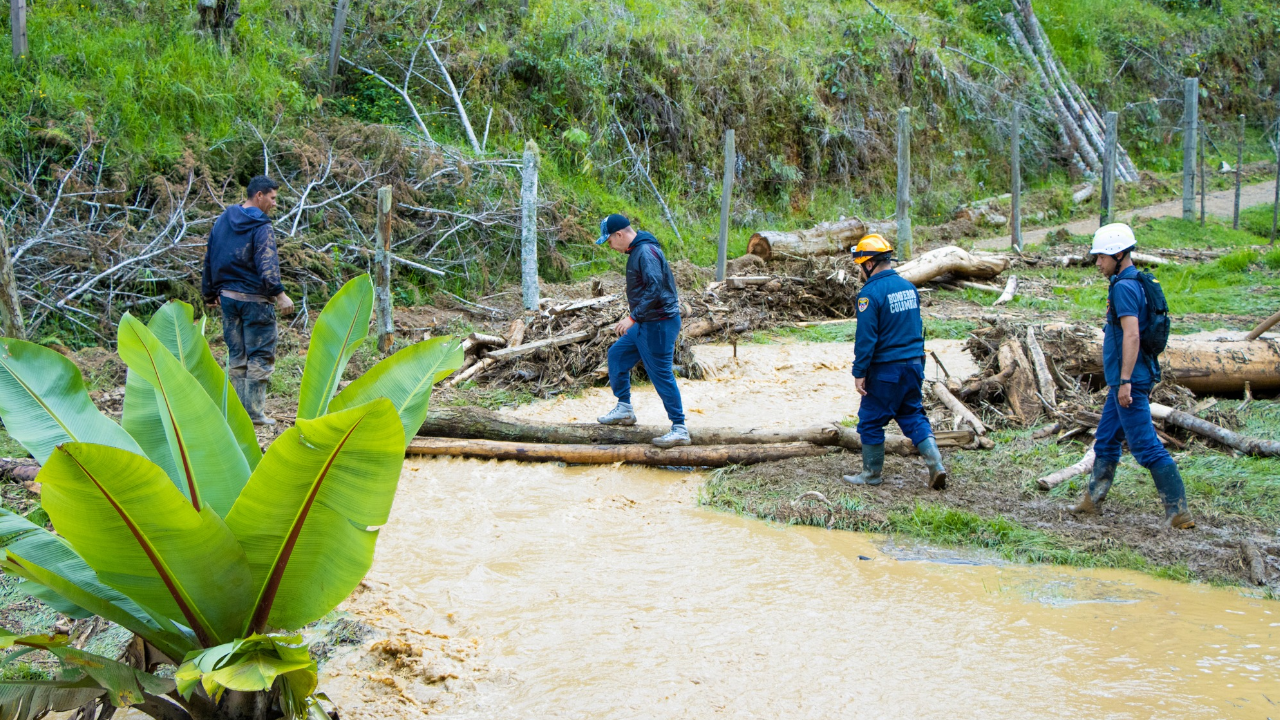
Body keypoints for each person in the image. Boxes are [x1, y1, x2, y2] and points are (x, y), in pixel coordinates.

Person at [1072, 223, 1194, 528]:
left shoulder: (1125, 287)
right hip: (1123, 381)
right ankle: (1092, 501)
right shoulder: (1131, 281)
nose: (1097, 262)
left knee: (1145, 446)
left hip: (1130, 381)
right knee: (1106, 438)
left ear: (1119, 254)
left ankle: (1178, 512)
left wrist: (1125, 381)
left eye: (1101, 256)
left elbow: (1131, 337)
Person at [842, 235, 947, 489]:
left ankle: (871, 474)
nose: (859, 271)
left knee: (870, 420)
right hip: (913, 365)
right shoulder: (908, 288)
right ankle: (936, 465)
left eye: (860, 265)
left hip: (886, 370)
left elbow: (866, 339)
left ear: (868, 264)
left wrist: (859, 372)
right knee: (911, 413)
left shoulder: (869, 295)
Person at [202, 175, 294, 426]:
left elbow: (210, 256)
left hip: (228, 300)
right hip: (255, 301)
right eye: (273, 198)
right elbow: (267, 264)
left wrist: (209, 293)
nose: (275, 203)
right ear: (259, 196)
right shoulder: (261, 226)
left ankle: (238, 415)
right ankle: (254, 414)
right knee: (260, 356)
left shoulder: (223, 220)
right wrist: (280, 294)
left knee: (237, 356)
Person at [593, 214, 689, 448]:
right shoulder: (637, 250)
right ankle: (625, 409)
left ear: (619, 234)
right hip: (647, 322)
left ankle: (679, 428)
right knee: (617, 355)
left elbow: (655, 287)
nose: (610, 246)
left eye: (609, 241)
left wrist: (632, 317)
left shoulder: (644, 252)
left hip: (659, 323)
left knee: (661, 373)